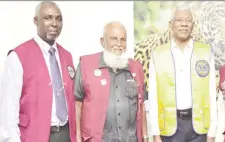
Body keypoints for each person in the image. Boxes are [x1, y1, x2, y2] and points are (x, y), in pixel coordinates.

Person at [0, 1, 77, 142]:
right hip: (34, 136)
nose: (54, 23)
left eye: (58, 19)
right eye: (48, 18)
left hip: (66, 135)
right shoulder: (18, 56)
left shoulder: (67, 56)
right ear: (36, 21)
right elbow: (8, 109)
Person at [147, 6, 219, 142]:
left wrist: (212, 132)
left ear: (193, 25)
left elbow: (211, 94)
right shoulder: (158, 53)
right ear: (171, 25)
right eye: (179, 20)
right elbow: (153, 96)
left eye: (188, 20)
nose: (184, 24)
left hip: (199, 126)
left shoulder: (205, 52)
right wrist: (155, 134)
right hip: (169, 127)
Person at [74, 21, 148, 142]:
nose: (119, 44)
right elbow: (77, 103)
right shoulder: (85, 65)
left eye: (123, 40)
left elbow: (141, 105)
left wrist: (145, 136)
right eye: (114, 39)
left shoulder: (136, 68)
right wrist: (77, 138)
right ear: (103, 42)